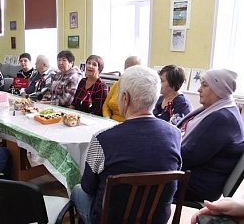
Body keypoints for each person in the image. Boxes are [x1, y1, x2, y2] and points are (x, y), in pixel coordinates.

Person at [71, 66, 182, 224]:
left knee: (77, 190)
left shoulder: (102, 139)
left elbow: (88, 187)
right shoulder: (175, 135)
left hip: (108, 220)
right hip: (156, 219)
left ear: (125, 98)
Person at [177, 68, 244, 202]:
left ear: (219, 90)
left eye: (205, 85)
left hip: (198, 185)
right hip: (199, 177)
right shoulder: (224, 109)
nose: (199, 90)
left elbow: (187, 157)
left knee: (142, 180)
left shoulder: (221, 118)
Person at [102, 56, 141, 121]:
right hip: (110, 122)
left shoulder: (141, 88)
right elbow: (106, 105)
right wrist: (107, 119)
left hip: (128, 125)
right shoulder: (116, 84)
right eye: (126, 67)